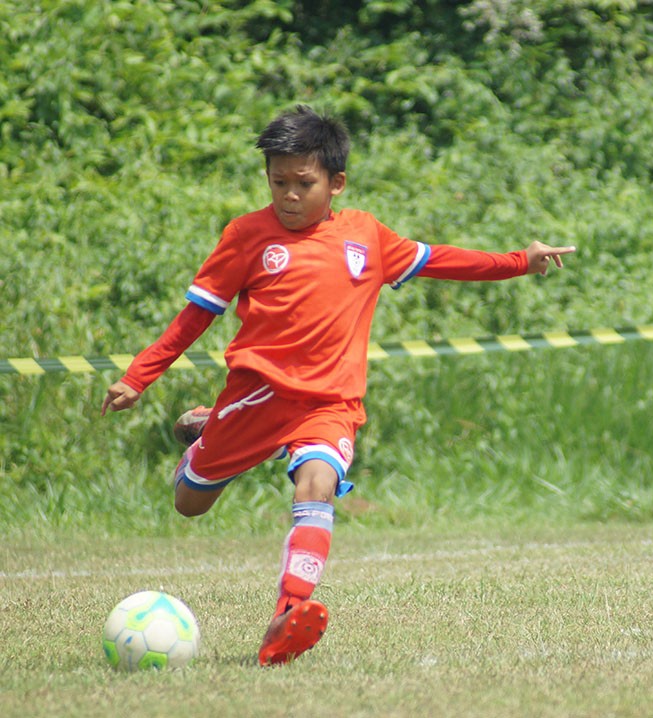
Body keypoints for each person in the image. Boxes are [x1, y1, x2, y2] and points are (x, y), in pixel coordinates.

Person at [100, 105, 575, 666]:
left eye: (304, 183)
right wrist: (140, 377)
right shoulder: (247, 236)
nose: (289, 196)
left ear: (336, 182)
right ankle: (206, 436)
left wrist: (521, 260)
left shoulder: (365, 236)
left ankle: (288, 613)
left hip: (330, 402)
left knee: (317, 485)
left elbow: (440, 259)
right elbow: (196, 315)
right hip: (257, 397)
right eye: (278, 182)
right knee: (189, 505)